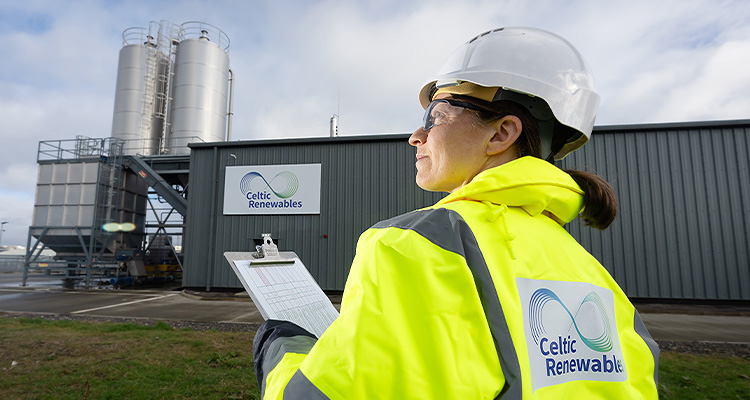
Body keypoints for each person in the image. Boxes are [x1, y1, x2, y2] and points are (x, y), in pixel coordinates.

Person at [253, 26, 659, 399]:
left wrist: (282, 350)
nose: (416, 136)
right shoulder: (591, 272)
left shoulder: (414, 246)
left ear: (501, 133)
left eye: (437, 115)